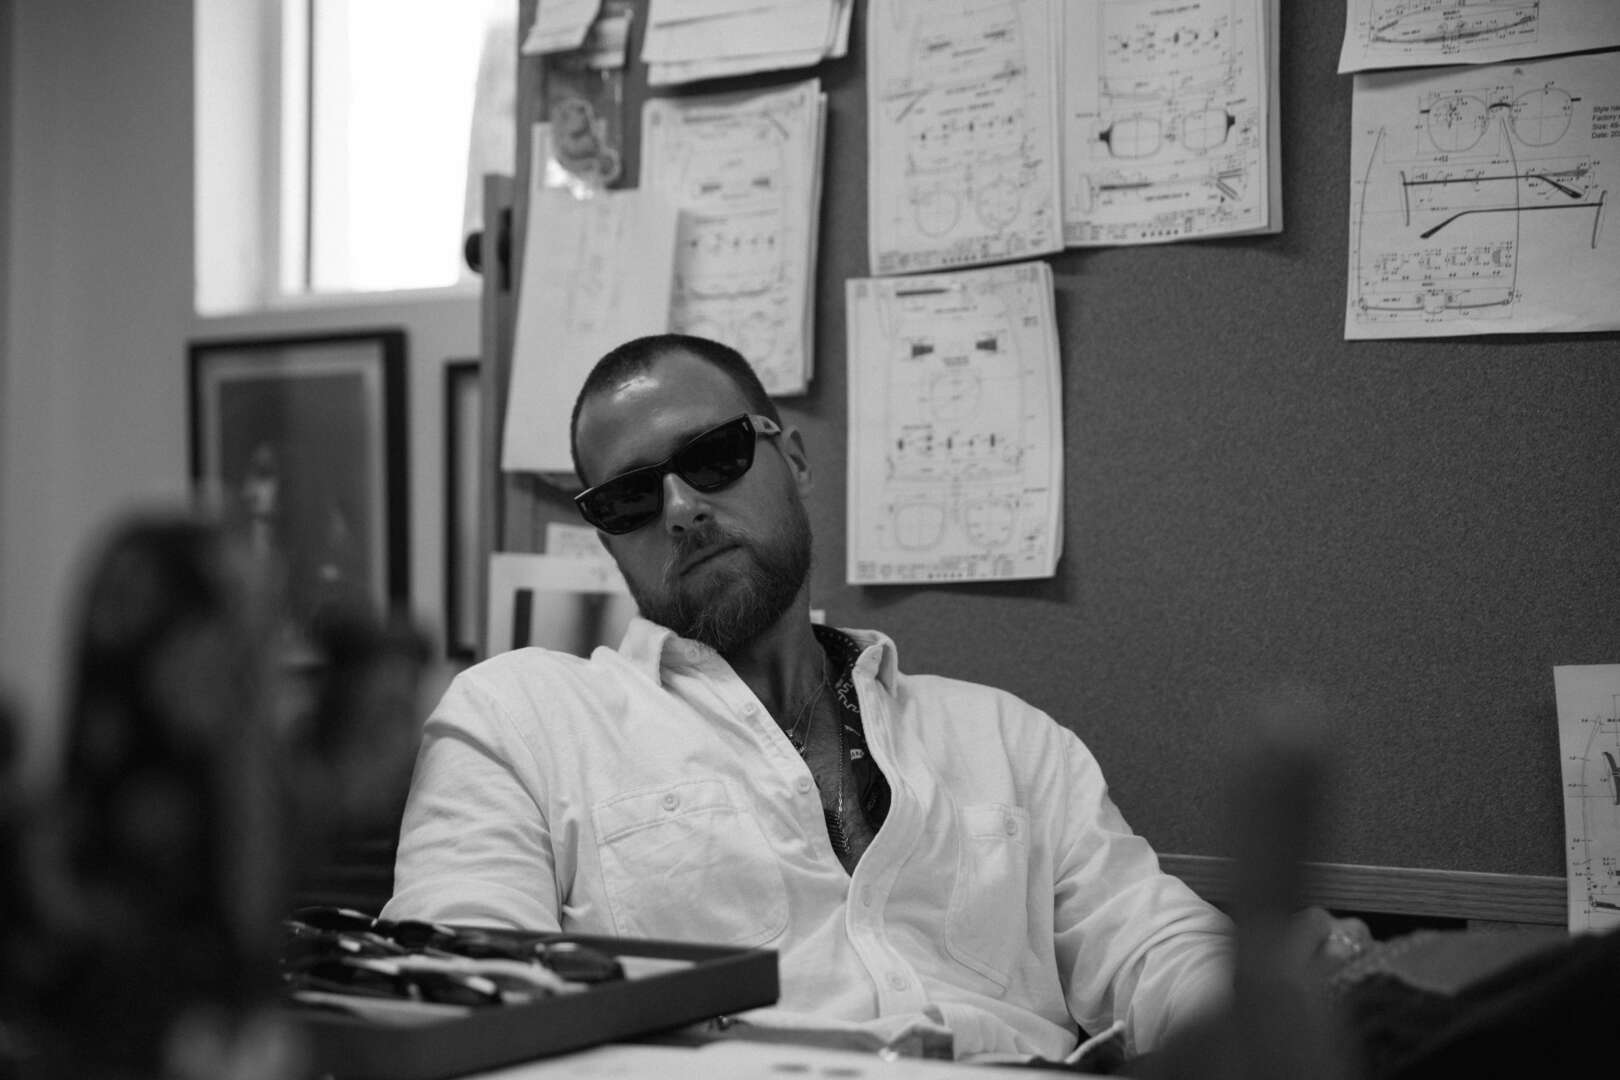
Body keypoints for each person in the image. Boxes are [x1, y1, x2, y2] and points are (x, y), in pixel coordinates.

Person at [384, 333, 1236, 1064]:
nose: (680, 509)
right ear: (607, 537)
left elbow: (1157, 946)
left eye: (713, 456)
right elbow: (459, 996)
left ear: (792, 459)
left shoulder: (1010, 739)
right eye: (629, 498)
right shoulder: (519, 722)